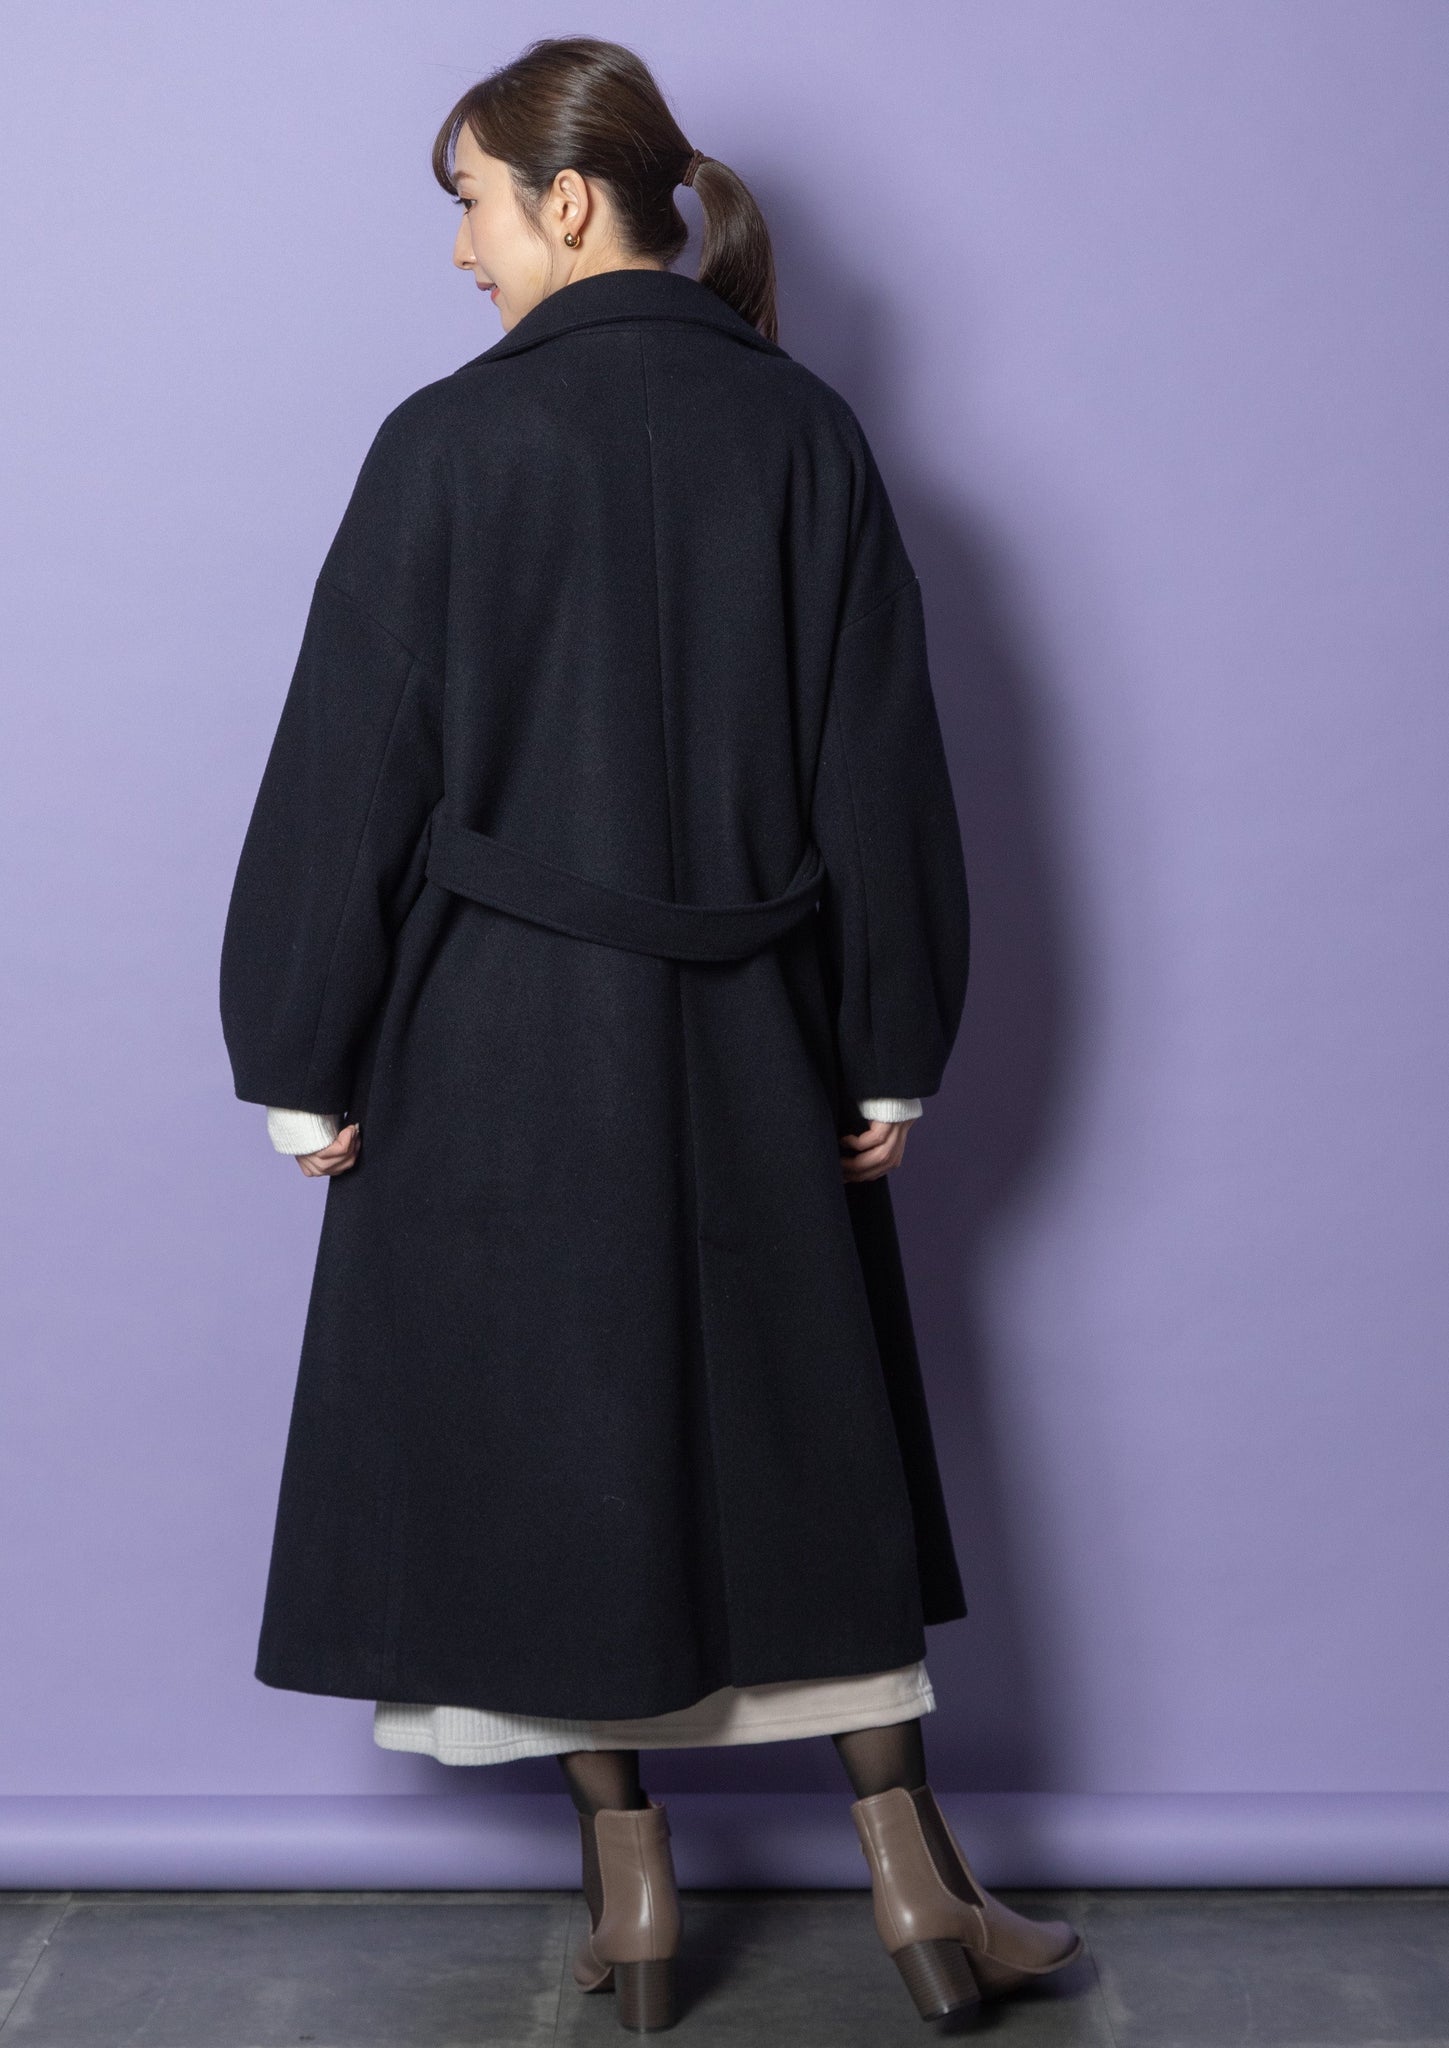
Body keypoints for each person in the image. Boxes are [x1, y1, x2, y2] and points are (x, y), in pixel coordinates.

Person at [219, 34, 1082, 2032]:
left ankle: (629, 1898)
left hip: (489, 1040)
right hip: (755, 1036)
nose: (459, 249)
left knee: (541, 1449)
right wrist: (886, 1039)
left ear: (564, 198)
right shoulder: (803, 432)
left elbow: (353, 769)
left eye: (469, 202)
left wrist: (298, 1051)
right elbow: (879, 765)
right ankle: (914, 1886)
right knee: (803, 1444)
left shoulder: (448, 443)